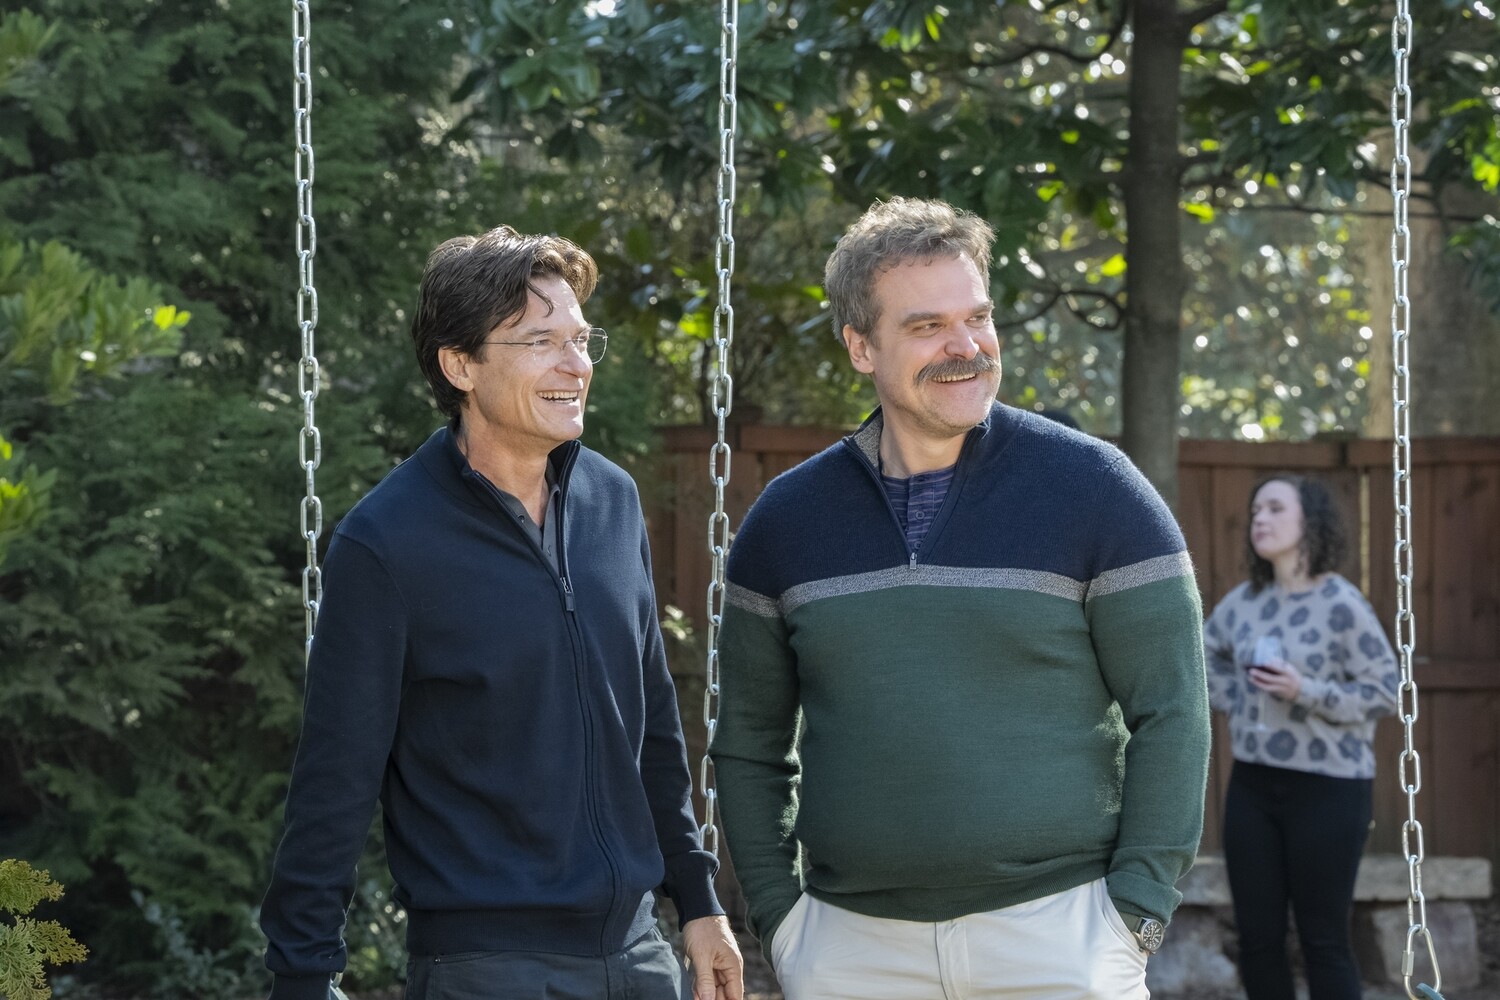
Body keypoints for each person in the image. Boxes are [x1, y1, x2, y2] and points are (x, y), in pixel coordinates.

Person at [709, 197, 1211, 1000]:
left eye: (978, 318)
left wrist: (1136, 919)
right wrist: (782, 923)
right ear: (860, 346)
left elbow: (1174, 711)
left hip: (1061, 942)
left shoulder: (1096, 491)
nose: (966, 347)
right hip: (852, 951)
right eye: (928, 326)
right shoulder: (787, 522)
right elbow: (748, 742)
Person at [260, 225, 743, 1000]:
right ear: (460, 365)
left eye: (581, 340)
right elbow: (334, 781)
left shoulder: (612, 501)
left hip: (639, 957)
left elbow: (649, 720)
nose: (576, 365)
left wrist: (698, 901)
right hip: (486, 969)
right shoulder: (386, 543)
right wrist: (303, 976)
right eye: (540, 342)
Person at [1205, 474, 1398, 1000]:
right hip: (1252, 787)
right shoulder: (1244, 602)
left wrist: (1305, 691)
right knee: (1257, 941)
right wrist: (1238, 697)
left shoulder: (1342, 604)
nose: (1259, 519)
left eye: (1274, 509)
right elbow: (1200, 657)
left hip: (1330, 790)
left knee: (1324, 941)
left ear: (1309, 522)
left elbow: (1386, 691)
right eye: (1255, 511)